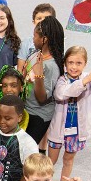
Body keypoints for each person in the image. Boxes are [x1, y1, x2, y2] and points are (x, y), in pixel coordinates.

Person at [49, 47, 91, 179]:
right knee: (50, 162)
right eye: (70, 62)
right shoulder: (62, 80)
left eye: (79, 63)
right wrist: (84, 81)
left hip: (77, 131)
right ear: (65, 63)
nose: (74, 67)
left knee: (68, 160)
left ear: (85, 63)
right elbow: (61, 94)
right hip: (58, 129)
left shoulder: (88, 77)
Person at [23, 16, 65, 148]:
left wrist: (39, 75)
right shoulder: (35, 55)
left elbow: (42, 98)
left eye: (35, 36)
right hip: (26, 109)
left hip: (38, 116)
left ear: (44, 39)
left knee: (26, 149)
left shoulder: (52, 66)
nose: (33, 39)